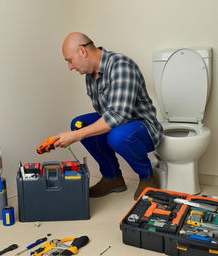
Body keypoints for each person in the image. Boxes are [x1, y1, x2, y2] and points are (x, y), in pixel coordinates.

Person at [53, 32, 163, 200]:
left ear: (82, 51)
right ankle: (112, 178)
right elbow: (103, 114)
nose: (70, 66)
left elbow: (118, 115)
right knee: (79, 124)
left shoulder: (121, 66)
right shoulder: (91, 75)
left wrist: (75, 136)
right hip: (119, 126)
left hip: (143, 127)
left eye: (69, 60)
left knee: (117, 136)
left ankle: (147, 177)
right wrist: (78, 131)